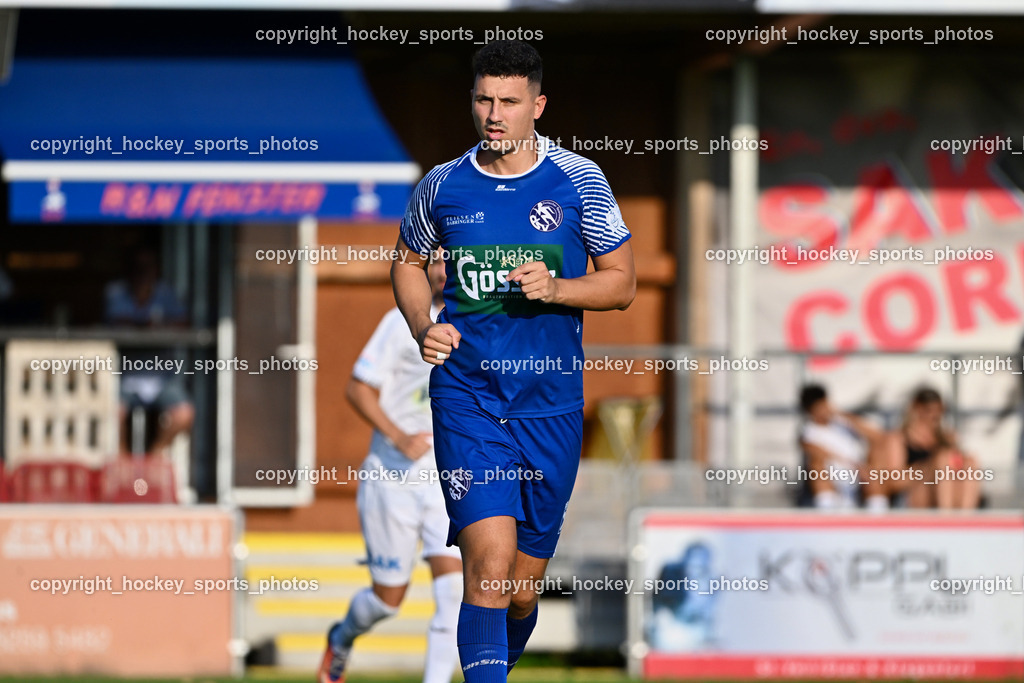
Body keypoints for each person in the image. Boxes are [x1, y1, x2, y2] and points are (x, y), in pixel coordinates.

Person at [387, 39, 635, 683]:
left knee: (521, 590)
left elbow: (622, 283)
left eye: (509, 102)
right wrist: (424, 326)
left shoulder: (579, 180)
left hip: (550, 407)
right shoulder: (443, 184)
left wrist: (557, 289)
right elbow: (408, 263)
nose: (494, 114)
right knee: (489, 568)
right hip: (468, 398)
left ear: (538, 107)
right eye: (483, 99)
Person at [319, 258, 463, 683]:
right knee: (387, 600)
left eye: (450, 261)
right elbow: (357, 389)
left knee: (453, 590)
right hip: (392, 475)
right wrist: (400, 437)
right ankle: (341, 637)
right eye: (435, 261)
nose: (443, 271)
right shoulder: (399, 321)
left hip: (446, 478)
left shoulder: (477, 322)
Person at [104, 245, 193, 454]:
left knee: (184, 414)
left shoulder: (166, 292)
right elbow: (115, 322)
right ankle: (122, 462)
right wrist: (147, 326)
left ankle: (153, 458)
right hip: (126, 375)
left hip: (161, 376)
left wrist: (153, 326)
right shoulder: (116, 291)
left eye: (148, 266)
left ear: (156, 269)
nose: (143, 271)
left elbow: (183, 323)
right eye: (138, 267)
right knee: (110, 413)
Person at [884, 387, 982, 509]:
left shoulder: (945, 437)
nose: (933, 416)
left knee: (970, 461)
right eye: (928, 410)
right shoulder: (899, 438)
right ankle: (946, 516)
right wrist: (928, 468)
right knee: (943, 460)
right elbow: (894, 483)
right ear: (916, 409)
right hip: (913, 494)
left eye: (939, 411)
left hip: (943, 490)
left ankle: (965, 518)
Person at [797, 384, 891, 510]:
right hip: (833, 478)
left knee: (876, 461)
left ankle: (878, 513)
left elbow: (878, 437)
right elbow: (819, 453)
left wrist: (841, 414)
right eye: (818, 407)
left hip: (857, 477)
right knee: (816, 465)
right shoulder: (808, 431)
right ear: (810, 410)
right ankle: (828, 508)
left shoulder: (842, 422)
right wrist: (856, 466)